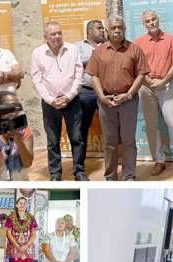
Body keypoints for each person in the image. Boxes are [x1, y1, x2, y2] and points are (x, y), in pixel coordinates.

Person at [86, 15, 150, 181]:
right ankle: (110, 176)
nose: (117, 30)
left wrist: (128, 94)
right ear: (107, 31)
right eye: (113, 28)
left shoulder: (134, 49)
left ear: (124, 29)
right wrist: (101, 95)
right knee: (109, 142)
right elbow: (93, 75)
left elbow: (142, 74)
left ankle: (129, 175)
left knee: (129, 141)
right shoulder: (99, 51)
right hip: (106, 101)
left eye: (120, 27)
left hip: (128, 101)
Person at [135, 10, 173, 177]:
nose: (151, 23)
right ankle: (159, 160)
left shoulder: (171, 40)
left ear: (158, 20)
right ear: (144, 24)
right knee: (151, 126)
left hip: (165, 85)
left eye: (154, 19)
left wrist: (164, 80)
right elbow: (137, 67)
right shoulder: (139, 43)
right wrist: (148, 81)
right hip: (146, 86)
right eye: (148, 21)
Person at [31, 21, 85, 181]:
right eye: (53, 34)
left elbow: (78, 74)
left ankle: (79, 172)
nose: (57, 37)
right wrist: (50, 100)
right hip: (50, 103)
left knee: (76, 138)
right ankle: (55, 174)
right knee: (52, 141)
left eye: (59, 33)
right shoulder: (37, 53)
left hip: (72, 100)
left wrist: (69, 96)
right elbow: (36, 79)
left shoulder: (73, 49)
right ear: (45, 36)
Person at [75, 20, 106, 181]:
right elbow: (75, 64)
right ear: (89, 31)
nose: (102, 30)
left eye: (102, 28)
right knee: (81, 131)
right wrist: (95, 58)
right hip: (85, 93)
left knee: (111, 130)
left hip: (107, 92)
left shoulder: (109, 45)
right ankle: (79, 170)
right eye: (99, 28)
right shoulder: (77, 47)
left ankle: (111, 168)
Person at [4, 197, 38, 262]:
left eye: (24, 203)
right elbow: (8, 233)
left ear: (27, 205)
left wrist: (26, 246)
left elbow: (33, 234)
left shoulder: (31, 218)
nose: (22, 205)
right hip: (14, 249)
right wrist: (18, 246)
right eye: (20, 203)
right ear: (16, 205)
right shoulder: (10, 218)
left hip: (28, 250)